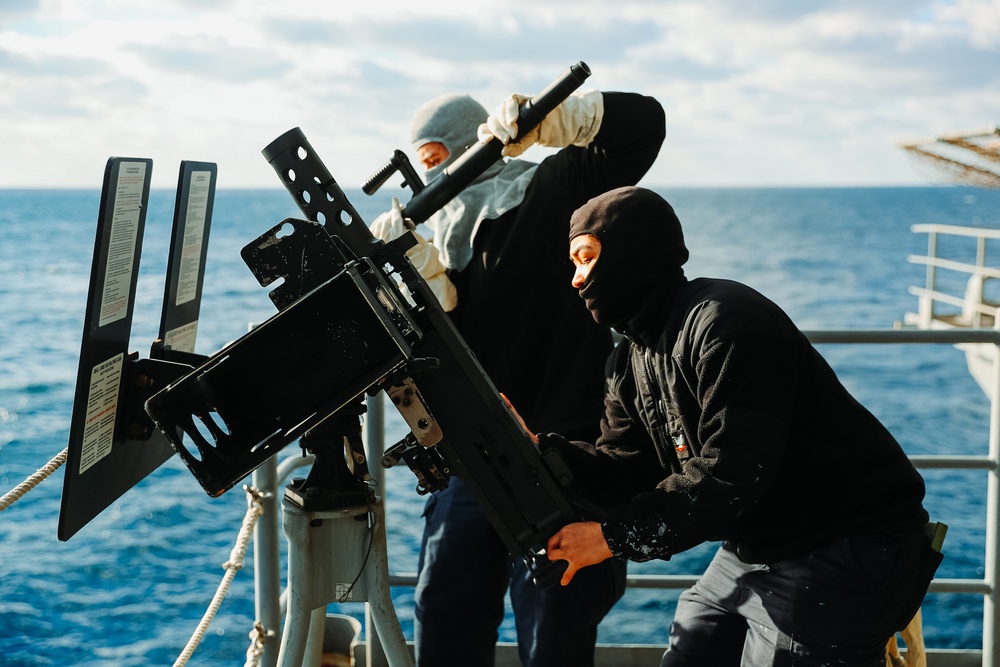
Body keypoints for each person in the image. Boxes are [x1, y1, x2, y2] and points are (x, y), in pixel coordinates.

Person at [515, 185, 943, 666]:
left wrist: (609, 538)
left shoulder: (726, 321)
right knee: (689, 649)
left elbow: (732, 474)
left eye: (587, 258)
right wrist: (538, 449)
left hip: (850, 541)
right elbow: (626, 469)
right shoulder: (627, 360)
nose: (577, 280)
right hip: (760, 542)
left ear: (631, 252)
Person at [369, 90, 666, 666]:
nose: (431, 172)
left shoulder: (554, 190)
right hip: (474, 459)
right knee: (444, 614)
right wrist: (415, 285)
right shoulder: (437, 236)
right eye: (421, 161)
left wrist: (562, 122)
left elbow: (643, 128)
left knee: (556, 635)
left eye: (435, 155)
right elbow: (458, 349)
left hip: (574, 458)